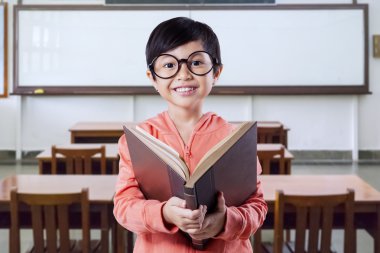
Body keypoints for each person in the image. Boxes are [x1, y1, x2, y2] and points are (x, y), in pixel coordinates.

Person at [114, 17, 267, 252]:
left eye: (196, 63)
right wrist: (164, 213)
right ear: (152, 78)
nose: (183, 74)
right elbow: (124, 208)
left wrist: (225, 220)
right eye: (168, 65)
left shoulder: (235, 139)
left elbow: (257, 207)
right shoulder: (139, 139)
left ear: (216, 72)